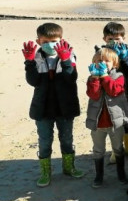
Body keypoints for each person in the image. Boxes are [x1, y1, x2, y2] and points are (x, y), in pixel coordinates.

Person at [22, 22, 84, 187]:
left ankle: (69, 167)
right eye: (45, 41)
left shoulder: (70, 55)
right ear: (38, 41)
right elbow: (33, 81)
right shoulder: (35, 57)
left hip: (65, 107)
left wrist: (65, 61)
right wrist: (29, 63)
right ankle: (45, 171)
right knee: (44, 141)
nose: (50, 44)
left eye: (54, 40)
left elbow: (71, 78)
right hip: (42, 108)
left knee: (66, 139)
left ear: (61, 40)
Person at [86, 47, 128, 188]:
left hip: (115, 123)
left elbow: (114, 90)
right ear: (94, 62)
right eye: (99, 60)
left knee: (118, 148)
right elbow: (94, 94)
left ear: (114, 64)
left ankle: (121, 173)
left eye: (107, 61)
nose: (102, 63)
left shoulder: (119, 76)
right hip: (98, 123)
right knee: (98, 150)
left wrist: (104, 76)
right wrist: (95, 78)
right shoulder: (92, 78)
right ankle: (99, 176)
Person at [100, 22, 128, 162]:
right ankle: (116, 150)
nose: (114, 42)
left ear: (123, 38)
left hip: (126, 90)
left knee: (127, 118)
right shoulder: (102, 52)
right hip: (109, 92)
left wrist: (124, 57)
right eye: (110, 39)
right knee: (114, 121)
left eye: (118, 38)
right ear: (104, 39)